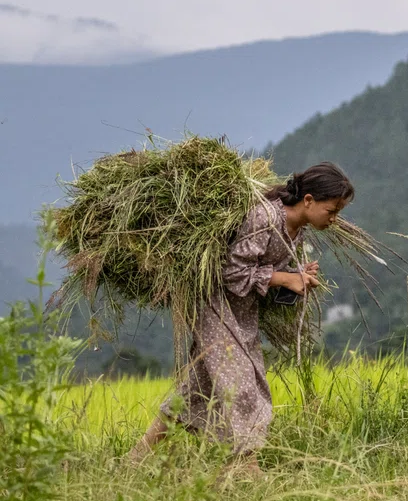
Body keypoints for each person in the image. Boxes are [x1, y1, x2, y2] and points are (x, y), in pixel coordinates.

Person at [127, 163, 354, 477]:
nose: (334, 219)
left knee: (195, 391)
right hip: (216, 308)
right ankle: (246, 467)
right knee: (244, 386)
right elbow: (231, 272)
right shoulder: (265, 218)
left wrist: (297, 276)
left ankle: (135, 458)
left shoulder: (297, 231)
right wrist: (285, 278)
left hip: (243, 313)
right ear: (309, 200)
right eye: (332, 210)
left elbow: (263, 272)